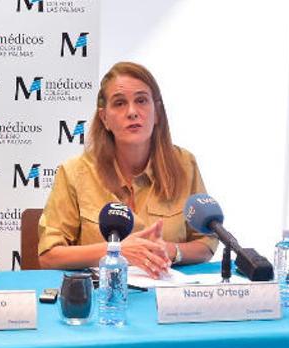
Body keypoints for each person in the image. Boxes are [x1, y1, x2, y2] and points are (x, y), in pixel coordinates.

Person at [38, 61, 217, 277]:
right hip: (102, 298)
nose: (132, 112)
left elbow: (206, 242)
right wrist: (118, 250)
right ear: (104, 118)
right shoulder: (75, 172)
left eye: (141, 101)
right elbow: (49, 255)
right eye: (120, 103)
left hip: (166, 295)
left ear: (157, 112)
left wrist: (172, 251)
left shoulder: (184, 164)